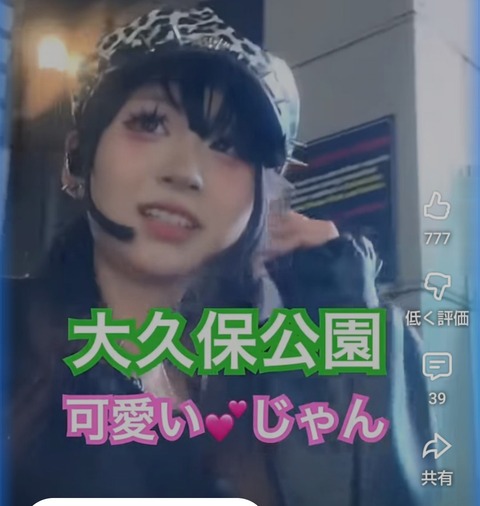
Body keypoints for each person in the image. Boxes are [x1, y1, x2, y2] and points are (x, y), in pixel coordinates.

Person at [8, 6, 435, 506]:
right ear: (78, 155)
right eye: (150, 123)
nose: (187, 172)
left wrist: (348, 318)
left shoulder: (283, 367)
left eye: (228, 144)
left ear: (260, 198)